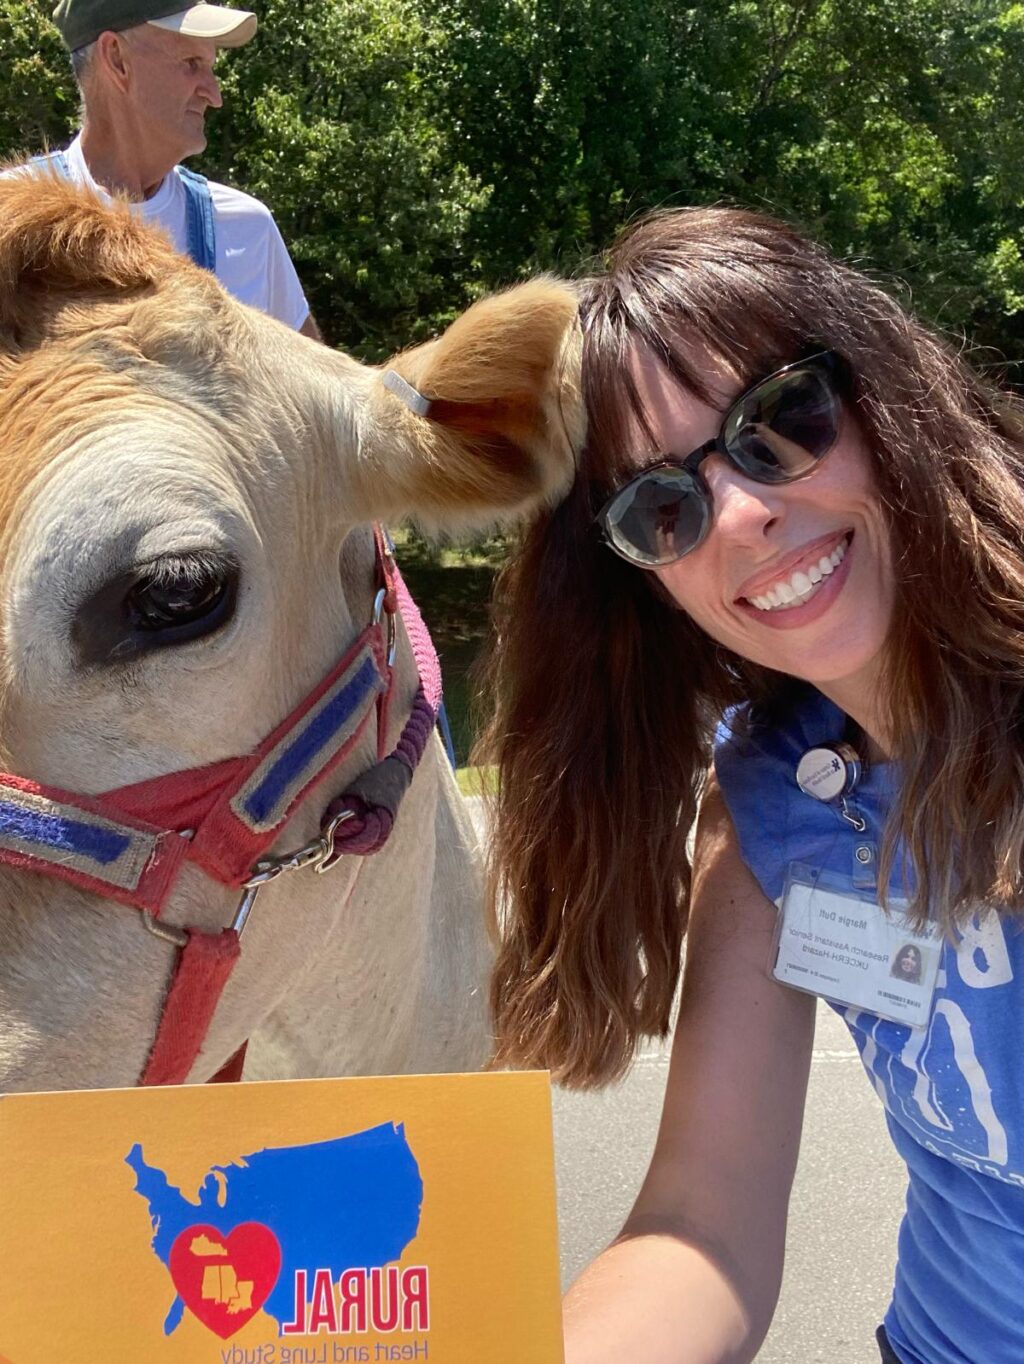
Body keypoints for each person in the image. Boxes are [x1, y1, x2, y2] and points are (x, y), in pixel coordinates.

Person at [478, 206, 1024, 1364]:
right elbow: (702, 1223)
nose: (740, 513)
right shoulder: (772, 800)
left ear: (880, 398)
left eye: (781, 421)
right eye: (660, 505)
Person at [40, 0, 318, 336]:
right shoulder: (11, 226)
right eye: (192, 63)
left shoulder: (246, 228)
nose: (214, 95)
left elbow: (311, 389)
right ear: (116, 59)